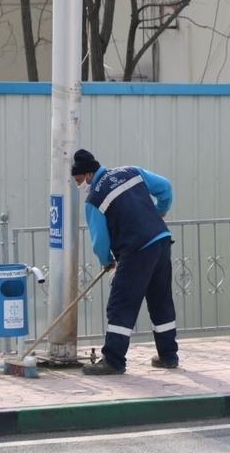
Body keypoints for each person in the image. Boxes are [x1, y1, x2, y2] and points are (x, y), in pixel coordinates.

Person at [71, 149, 179, 375]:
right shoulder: (131, 172)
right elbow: (165, 187)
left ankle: (113, 360)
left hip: (136, 249)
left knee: (121, 304)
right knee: (161, 301)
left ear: (89, 174)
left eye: (79, 180)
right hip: (161, 241)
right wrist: (160, 212)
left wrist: (106, 260)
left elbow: (100, 240)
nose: (80, 186)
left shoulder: (94, 199)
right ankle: (169, 356)